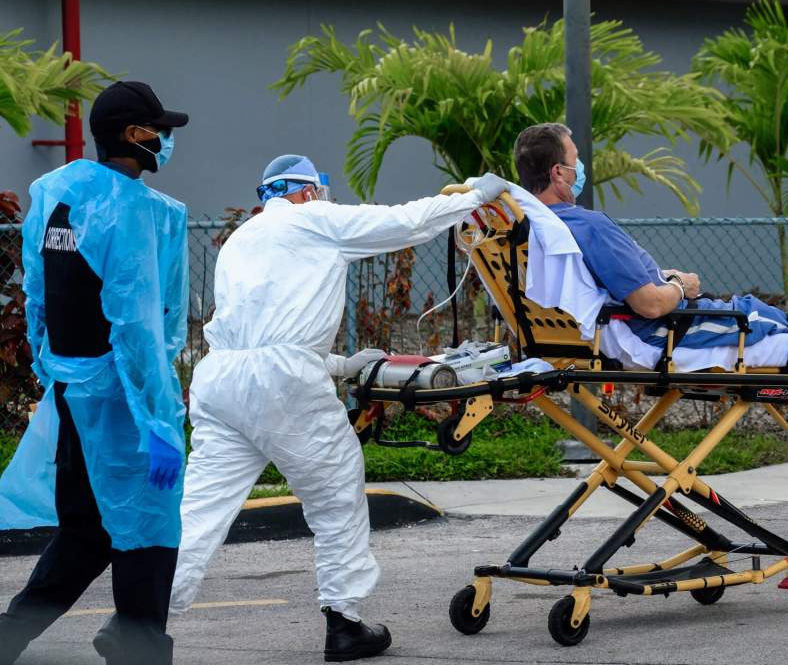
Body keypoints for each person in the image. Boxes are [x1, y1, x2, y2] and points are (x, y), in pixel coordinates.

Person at [168, 155, 508, 662]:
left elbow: (262, 336)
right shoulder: (313, 219)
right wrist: (475, 197)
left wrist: (341, 365)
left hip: (221, 381)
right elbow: (404, 221)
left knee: (198, 509)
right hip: (281, 385)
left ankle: (142, 616)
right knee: (336, 499)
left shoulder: (242, 239)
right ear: (307, 192)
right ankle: (345, 624)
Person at [0, 81, 192, 665]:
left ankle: (8, 638)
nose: (166, 139)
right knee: (148, 530)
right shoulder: (129, 211)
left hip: (72, 391)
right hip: (120, 403)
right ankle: (140, 651)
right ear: (135, 135)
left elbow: (36, 298)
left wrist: (54, 380)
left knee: (87, 532)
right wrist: (159, 422)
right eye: (160, 130)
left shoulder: (56, 194)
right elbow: (136, 328)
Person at [512, 123, 788, 360]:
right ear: (559, 172)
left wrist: (660, 278)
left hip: (619, 329)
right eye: (576, 161)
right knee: (756, 316)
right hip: (664, 333)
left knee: (769, 317)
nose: (582, 171)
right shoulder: (588, 226)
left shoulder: (531, 229)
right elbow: (650, 305)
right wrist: (679, 285)